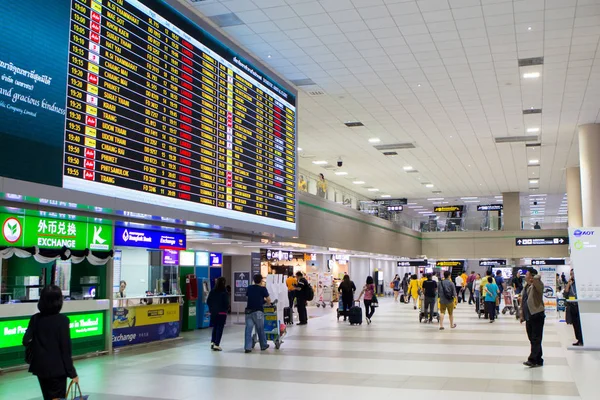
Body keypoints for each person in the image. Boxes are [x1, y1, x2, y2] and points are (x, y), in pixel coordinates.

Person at [23, 285, 79, 400]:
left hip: (40, 368)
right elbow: (65, 350)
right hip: (57, 370)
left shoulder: (35, 319)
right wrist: (72, 373)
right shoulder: (62, 321)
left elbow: (25, 340)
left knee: (48, 396)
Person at [520, 268, 545, 367]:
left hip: (537, 314)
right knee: (532, 338)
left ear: (531, 277)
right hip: (528, 316)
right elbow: (523, 301)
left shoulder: (538, 285)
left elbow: (537, 278)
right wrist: (522, 315)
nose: (525, 276)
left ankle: (532, 359)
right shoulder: (526, 286)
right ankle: (538, 358)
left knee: (536, 338)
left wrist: (534, 278)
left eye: (527, 274)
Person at [244, 274, 271, 353]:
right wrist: (268, 303)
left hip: (248, 311)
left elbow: (248, 297)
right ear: (261, 280)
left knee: (248, 330)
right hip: (258, 311)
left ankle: (247, 347)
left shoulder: (249, 287)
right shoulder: (263, 289)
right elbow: (268, 299)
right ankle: (263, 345)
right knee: (260, 329)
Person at [207, 277, 229, 351]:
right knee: (220, 328)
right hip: (222, 313)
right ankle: (217, 344)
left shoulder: (212, 291)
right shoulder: (224, 292)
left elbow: (208, 301)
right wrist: (227, 309)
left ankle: (212, 342)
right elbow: (226, 303)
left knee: (215, 327)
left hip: (213, 313)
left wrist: (212, 309)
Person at [564, 269, 583, 346]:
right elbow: (565, 294)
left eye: (573, 274)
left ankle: (582, 339)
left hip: (579, 305)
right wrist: (568, 284)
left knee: (579, 324)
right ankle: (578, 339)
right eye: (571, 274)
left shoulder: (580, 283)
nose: (572, 275)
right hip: (572, 305)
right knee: (575, 323)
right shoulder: (571, 283)